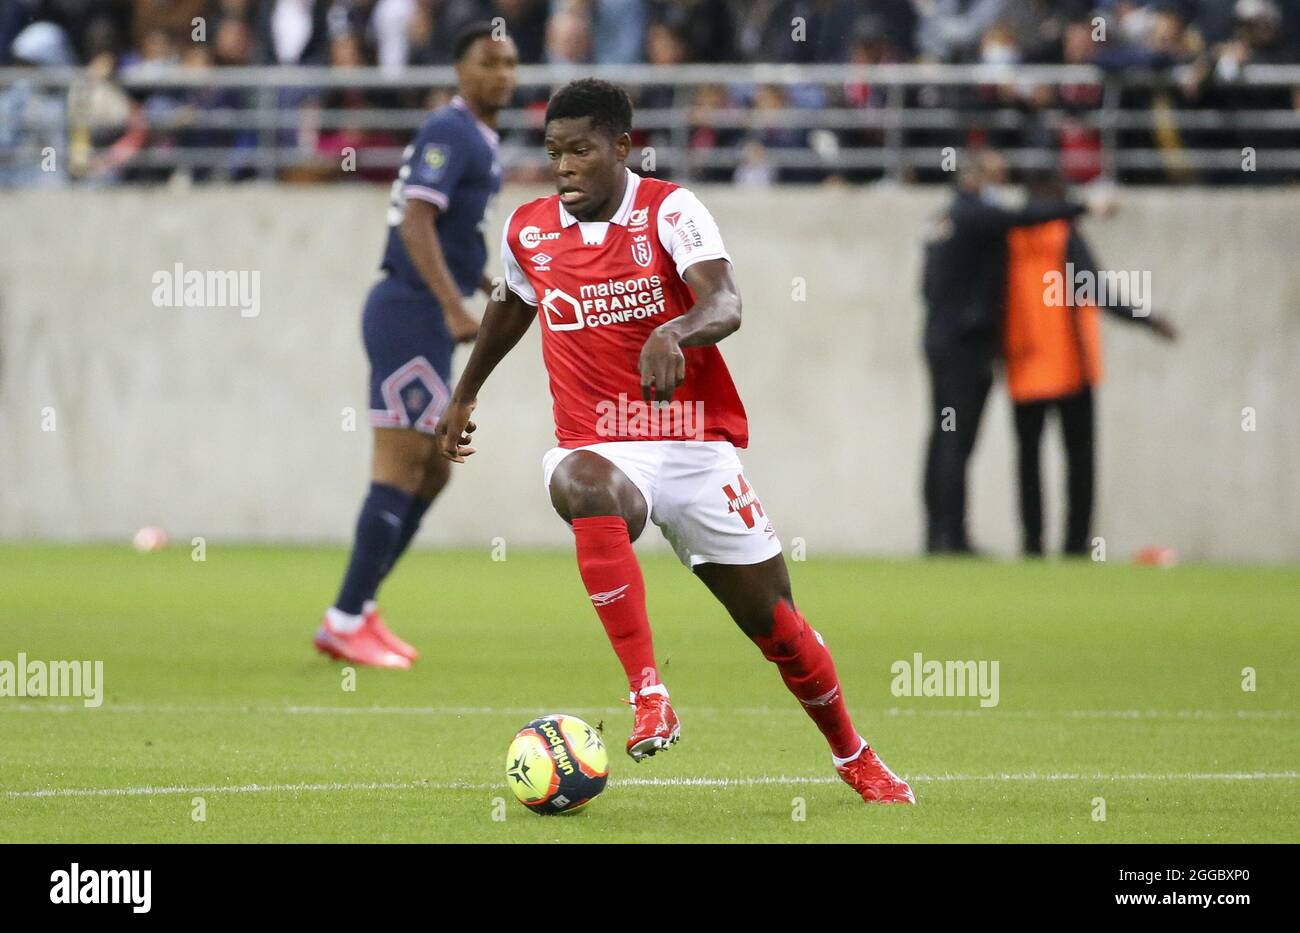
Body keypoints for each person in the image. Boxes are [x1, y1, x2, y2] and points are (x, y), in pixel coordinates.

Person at [435, 78, 913, 804]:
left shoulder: (670, 209)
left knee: (776, 622)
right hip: (596, 441)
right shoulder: (527, 229)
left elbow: (725, 299)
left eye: (581, 151)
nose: (564, 165)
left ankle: (855, 755)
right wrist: (465, 392)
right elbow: (512, 301)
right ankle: (647, 692)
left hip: (689, 442)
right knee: (587, 485)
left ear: (622, 147)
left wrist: (675, 329)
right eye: (555, 151)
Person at [313, 23, 517, 669]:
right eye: (488, 62)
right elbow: (416, 217)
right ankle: (345, 617)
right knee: (402, 464)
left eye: (511, 63)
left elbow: (455, 231)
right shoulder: (450, 130)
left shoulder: (480, 138)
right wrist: (454, 303)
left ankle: (361, 605)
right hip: (409, 311)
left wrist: (484, 283)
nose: (502, 74)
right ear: (460, 70)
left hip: (427, 310)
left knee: (434, 468)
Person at [920, 149, 1106, 554]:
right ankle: (948, 537)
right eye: (994, 176)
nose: (1000, 186)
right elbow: (1021, 218)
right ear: (974, 177)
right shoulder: (972, 213)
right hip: (965, 346)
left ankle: (940, 532)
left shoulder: (943, 218)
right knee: (955, 441)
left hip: (941, 338)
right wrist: (1084, 205)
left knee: (943, 438)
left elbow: (927, 285)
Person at [1004, 173, 1178, 556]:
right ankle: (1075, 545)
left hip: (1023, 368)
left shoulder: (1010, 237)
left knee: (1028, 462)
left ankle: (1032, 545)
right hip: (1069, 368)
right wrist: (1147, 318)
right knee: (1079, 462)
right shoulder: (1063, 234)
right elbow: (1097, 290)